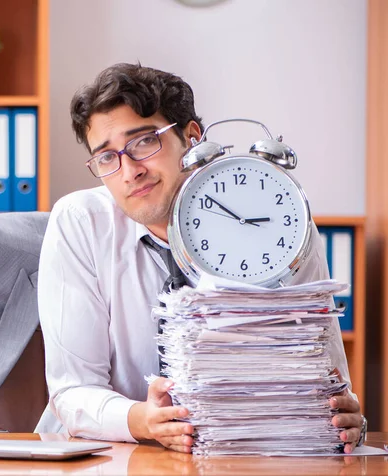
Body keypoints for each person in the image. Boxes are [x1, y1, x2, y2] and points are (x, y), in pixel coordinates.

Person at [36, 63, 364, 453]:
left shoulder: (281, 227)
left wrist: (342, 414)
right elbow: (72, 390)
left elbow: (325, 374)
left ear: (192, 138)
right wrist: (143, 419)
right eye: (107, 158)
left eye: (143, 142)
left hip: (240, 455)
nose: (129, 172)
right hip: (109, 457)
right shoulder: (81, 221)